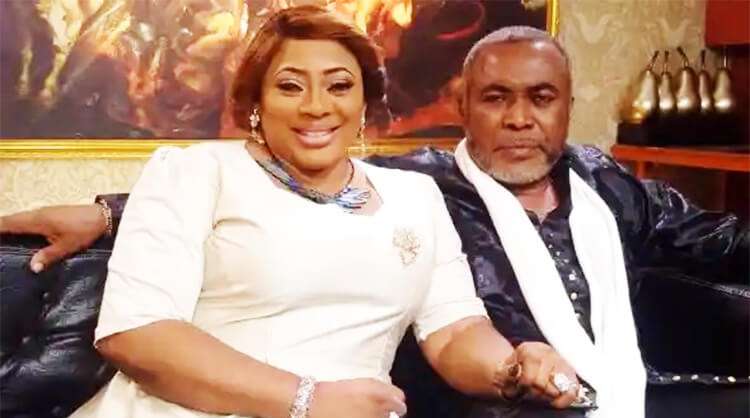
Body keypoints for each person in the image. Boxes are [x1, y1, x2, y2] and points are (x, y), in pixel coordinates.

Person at [3, 24, 747, 418]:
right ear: (255, 103)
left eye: (339, 85)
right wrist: (308, 402)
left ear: (364, 103)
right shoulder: (196, 171)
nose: (316, 105)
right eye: (290, 85)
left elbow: (454, 330)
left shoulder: (417, 195)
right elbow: (136, 332)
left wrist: (514, 365)